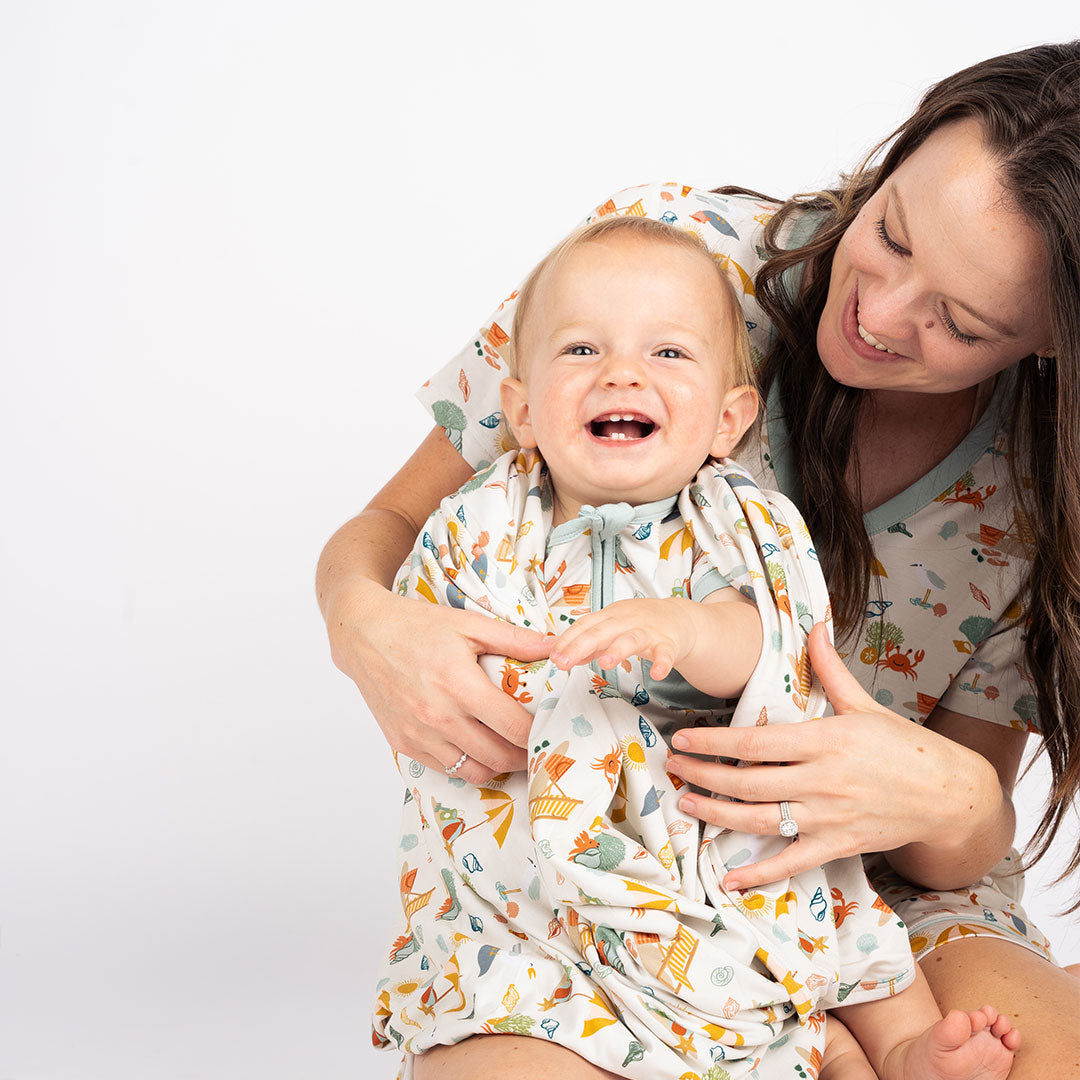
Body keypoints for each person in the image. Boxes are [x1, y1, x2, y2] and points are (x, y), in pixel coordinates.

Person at [318, 42, 1080, 1078]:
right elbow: (387, 528)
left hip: (857, 892)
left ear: (1050, 342)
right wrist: (365, 624)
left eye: (961, 320)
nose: (884, 313)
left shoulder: (1041, 479)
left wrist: (950, 798)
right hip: (598, 876)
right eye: (892, 233)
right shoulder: (665, 280)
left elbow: (947, 849)